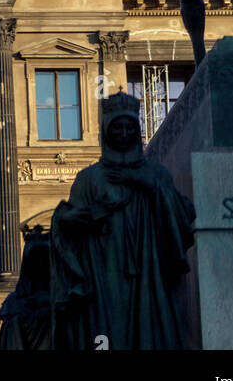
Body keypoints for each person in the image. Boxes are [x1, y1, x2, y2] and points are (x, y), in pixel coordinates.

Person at [50, 92, 195, 350]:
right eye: (118, 127)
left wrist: (148, 186)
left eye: (130, 127)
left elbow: (182, 217)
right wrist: (79, 217)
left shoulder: (155, 173)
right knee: (108, 330)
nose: (124, 132)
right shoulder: (88, 178)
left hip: (148, 269)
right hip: (103, 270)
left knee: (149, 329)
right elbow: (66, 223)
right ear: (107, 132)